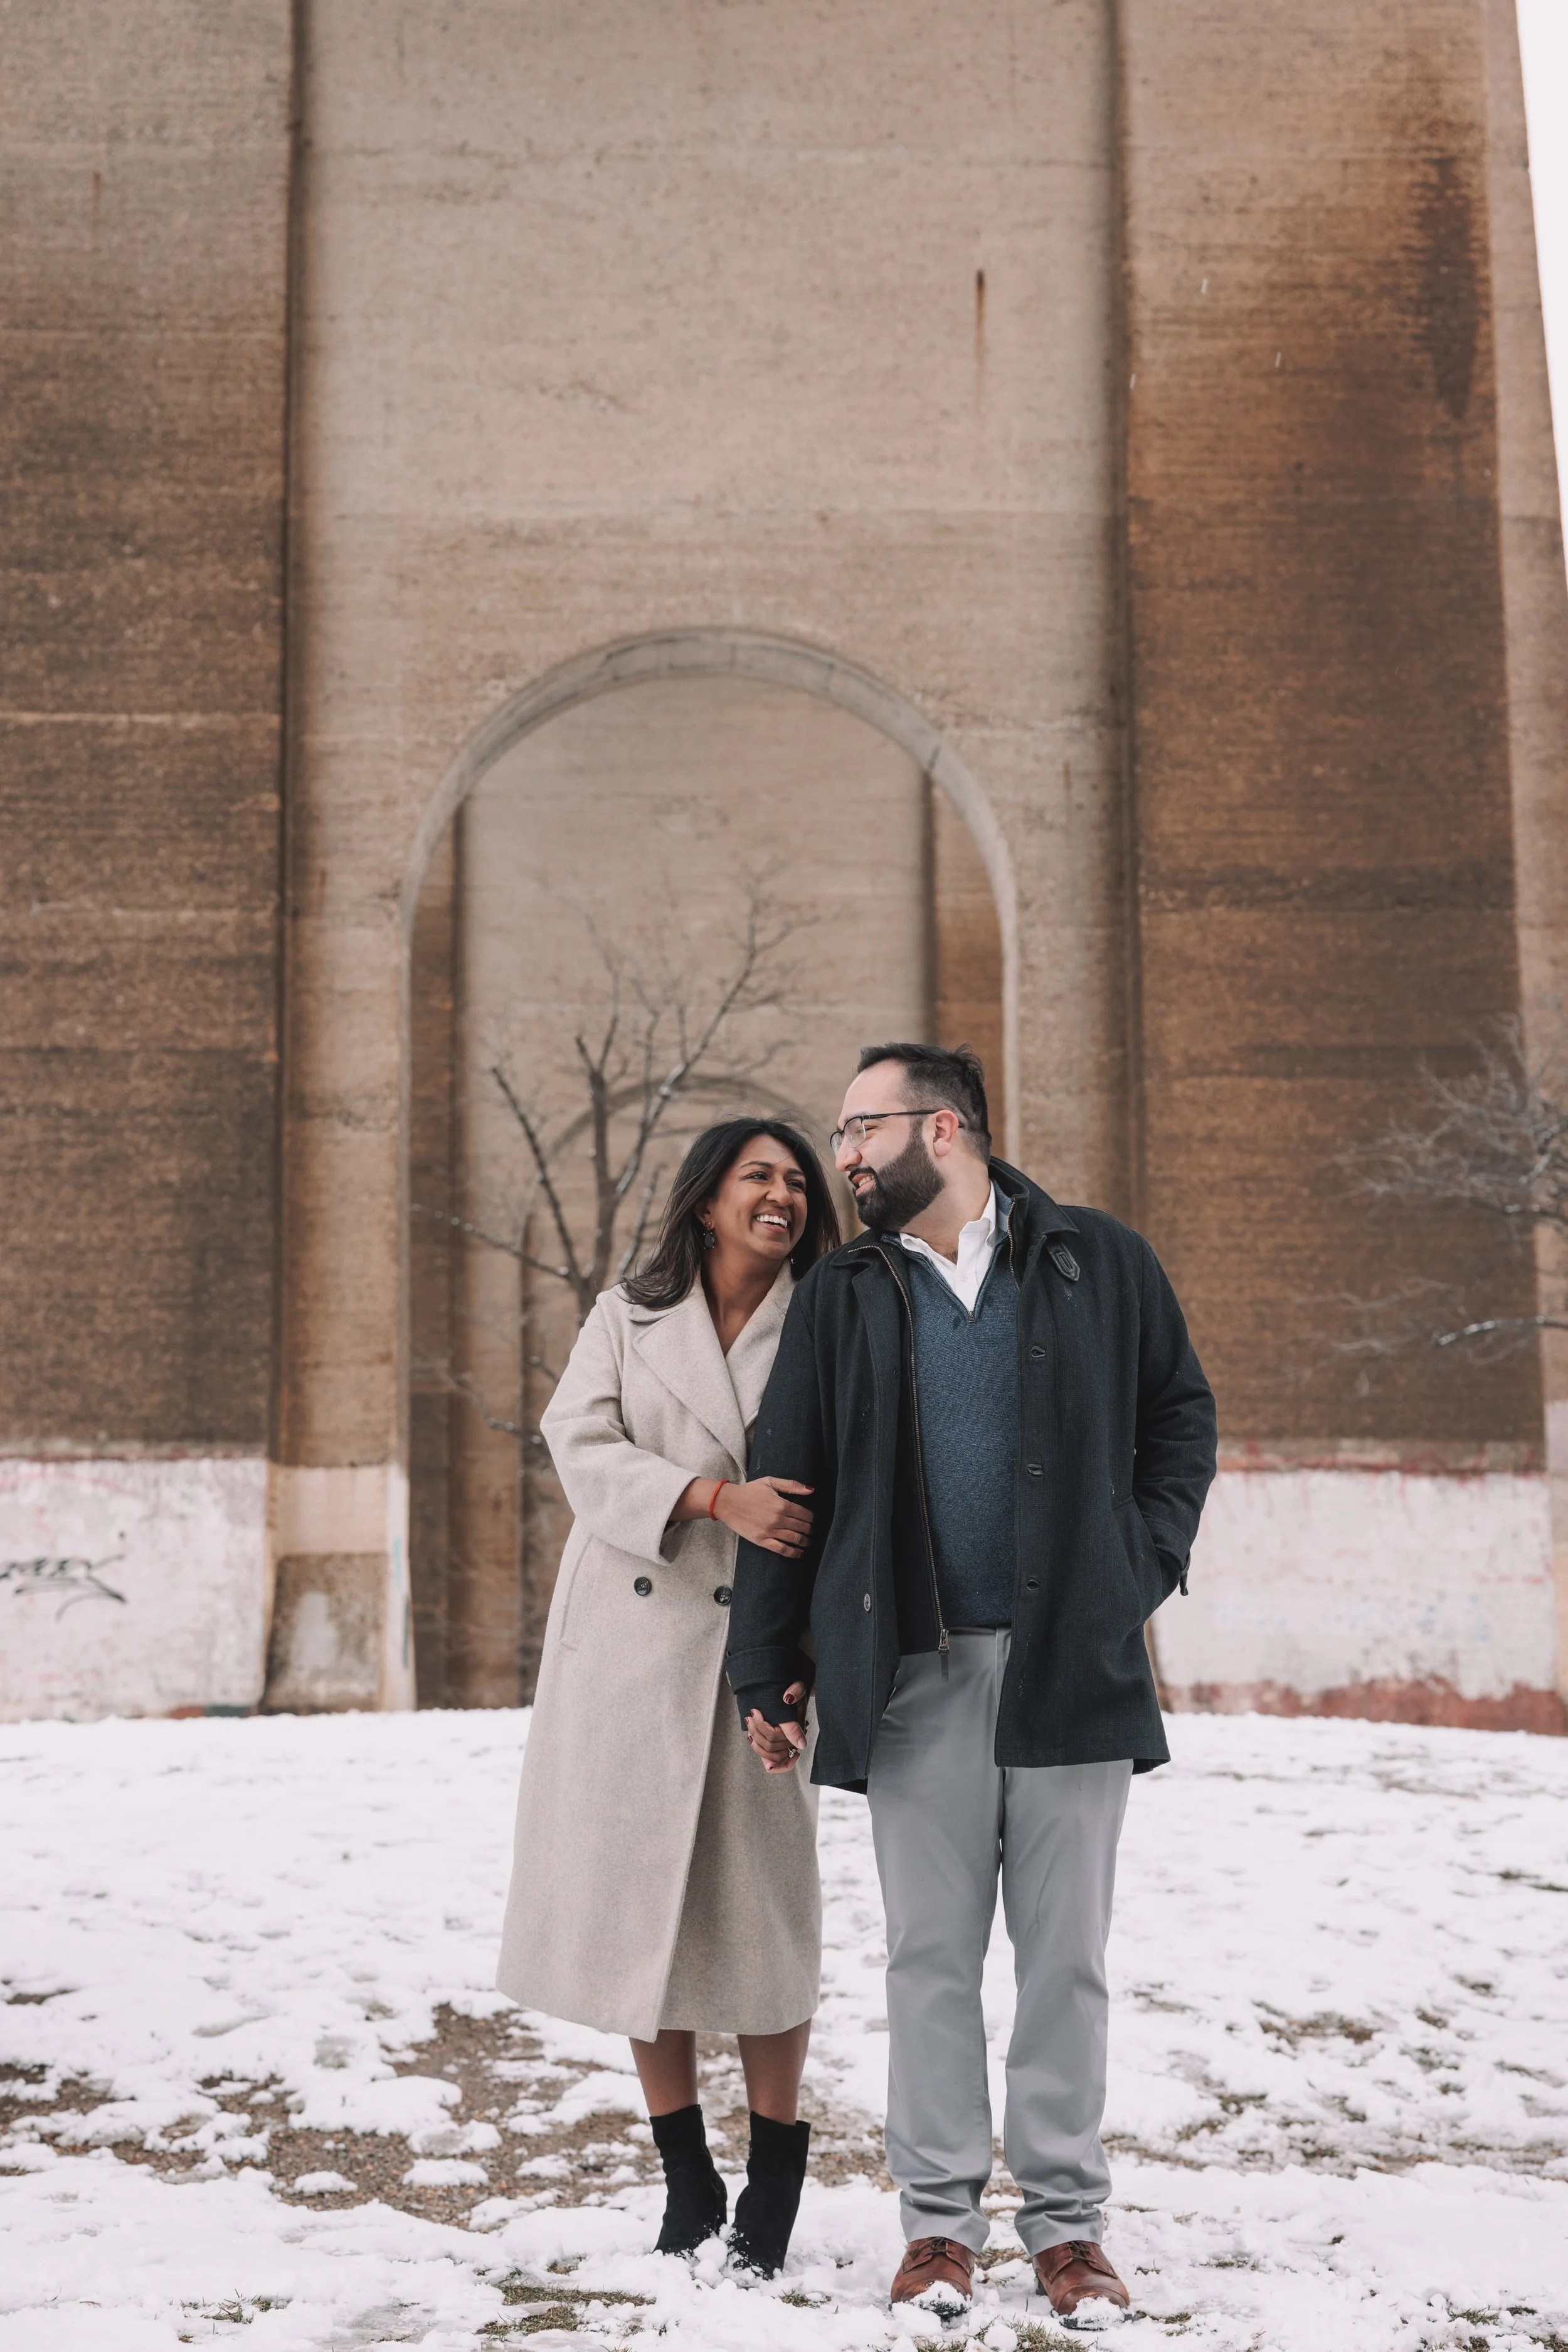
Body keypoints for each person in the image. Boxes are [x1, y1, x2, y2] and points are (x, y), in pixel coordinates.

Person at [725, 1044, 1217, 2324]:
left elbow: (1179, 1414)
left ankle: (1064, 2230)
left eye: (857, 1129)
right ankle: (936, 2225)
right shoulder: (844, 1291)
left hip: (1072, 1668)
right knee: (927, 1959)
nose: (840, 1156)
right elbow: (790, 1477)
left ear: (941, 1129)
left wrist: (1137, 1563)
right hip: (912, 1676)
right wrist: (765, 1667)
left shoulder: (1096, 1258)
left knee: (1066, 1960)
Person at [495, 1118, 841, 2276]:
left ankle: (777, 2181)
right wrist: (709, 1497)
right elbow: (576, 1440)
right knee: (649, 1909)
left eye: (797, 1181)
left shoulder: (833, 1319)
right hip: (632, 1647)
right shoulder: (625, 1316)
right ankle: (687, 2178)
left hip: (767, 1648)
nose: (782, 1195)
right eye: (759, 1177)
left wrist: (805, 1648)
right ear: (707, 1201)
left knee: (765, 1918)